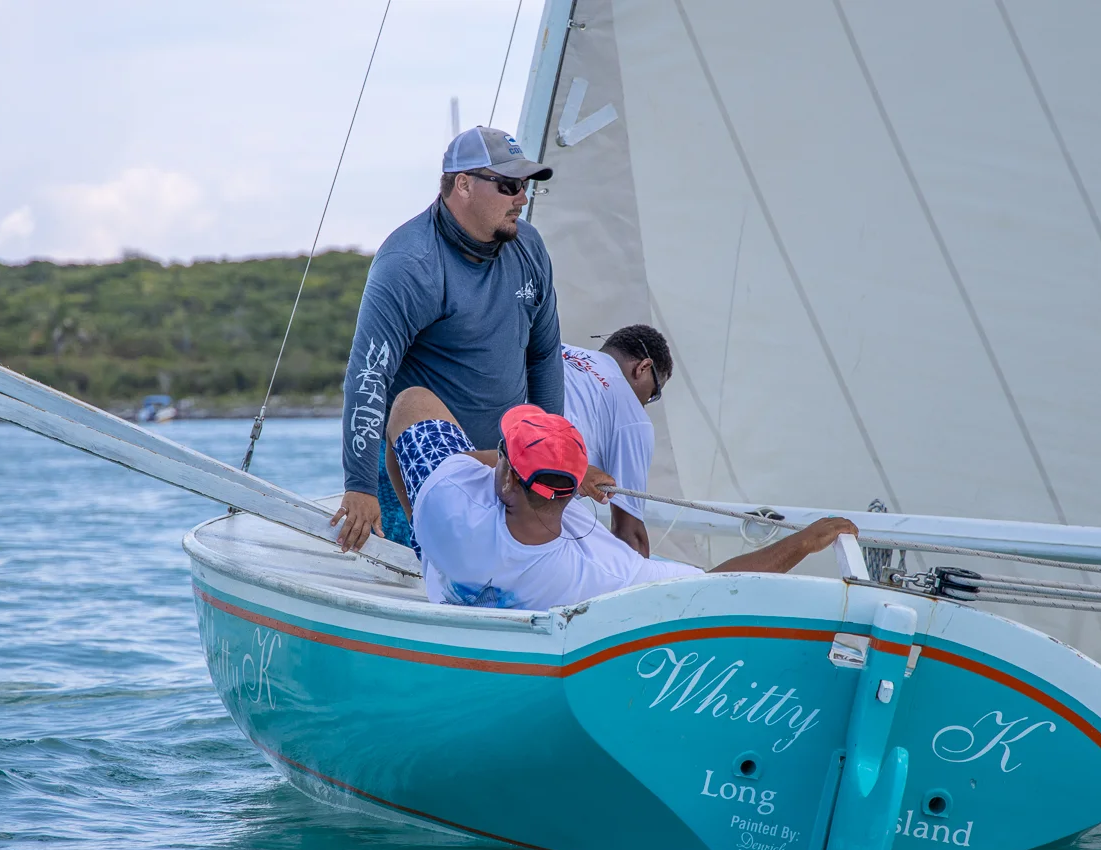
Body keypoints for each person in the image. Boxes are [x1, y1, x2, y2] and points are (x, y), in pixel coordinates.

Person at [384, 387, 858, 611]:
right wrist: (802, 542)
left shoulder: (447, 498)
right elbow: (721, 585)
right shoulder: (600, 576)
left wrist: (422, 525)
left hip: (440, 556)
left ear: (506, 477)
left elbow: (408, 404)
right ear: (571, 495)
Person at [331, 126, 563, 553]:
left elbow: (545, 355)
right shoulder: (410, 263)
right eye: (510, 185)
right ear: (463, 185)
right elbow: (368, 376)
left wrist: (552, 457)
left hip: (506, 469)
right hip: (417, 469)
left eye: (526, 186)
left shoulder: (529, 247)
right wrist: (360, 487)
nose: (522, 199)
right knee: (425, 583)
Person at [560, 324, 671, 556]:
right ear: (643, 367)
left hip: (472, 455)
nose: (645, 404)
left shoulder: (559, 349)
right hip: (513, 504)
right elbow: (630, 536)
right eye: (653, 394)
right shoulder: (634, 417)